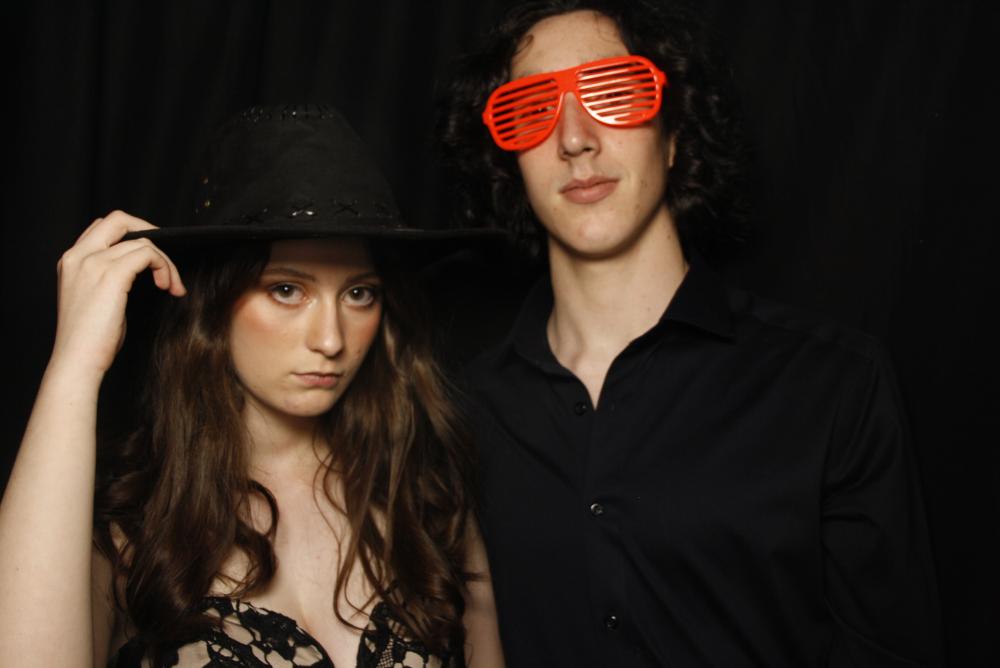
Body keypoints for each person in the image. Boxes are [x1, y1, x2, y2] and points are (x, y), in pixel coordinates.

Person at [439, 1, 942, 666]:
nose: (575, 138)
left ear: (674, 135)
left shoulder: (830, 385)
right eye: (529, 109)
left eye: (614, 92)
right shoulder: (463, 412)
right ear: (511, 165)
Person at [0, 105, 505, 667]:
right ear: (214, 304)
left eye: (359, 294)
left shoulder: (427, 503)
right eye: (287, 290)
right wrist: (74, 365)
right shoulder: (135, 531)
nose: (331, 339)